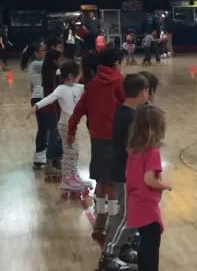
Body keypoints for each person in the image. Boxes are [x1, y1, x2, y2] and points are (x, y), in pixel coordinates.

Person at [68, 48, 125, 241]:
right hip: (115, 139)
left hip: (97, 138)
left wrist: (71, 130)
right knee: (113, 183)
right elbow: (128, 106)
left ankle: (100, 223)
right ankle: (113, 222)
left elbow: (79, 109)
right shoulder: (118, 82)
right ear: (116, 62)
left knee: (101, 180)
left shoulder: (91, 84)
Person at [98, 74, 150, 271]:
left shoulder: (123, 111)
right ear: (142, 92)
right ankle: (108, 256)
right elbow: (131, 148)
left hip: (122, 169)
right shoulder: (130, 117)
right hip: (124, 172)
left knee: (129, 213)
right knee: (126, 215)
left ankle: (123, 247)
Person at [31, 61, 92, 195]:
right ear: (71, 76)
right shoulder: (61, 89)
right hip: (65, 125)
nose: (80, 76)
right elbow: (49, 98)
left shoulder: (79, 87)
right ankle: (66, 179)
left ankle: (74, 176)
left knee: (74, 152)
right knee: (70, 152)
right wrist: (36, 106)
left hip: (73, 125)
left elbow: (92, 90)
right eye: (78, 74)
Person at [126, 105, 171, 271]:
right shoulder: (152, 152)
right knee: (151, 245)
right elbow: (149, 180)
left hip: (135, 201)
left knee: (145, 241)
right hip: (146, 204)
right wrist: (165, 185)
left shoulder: (133, 148)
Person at [21, 41, 48, 169]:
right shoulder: (38, 64)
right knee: (43, 128)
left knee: (45, 128)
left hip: (39, 97)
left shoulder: (35, 64)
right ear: (36, 52)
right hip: (39, 98)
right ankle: (39, 157)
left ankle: (43, 154)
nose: (45, 52)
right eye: (43, 50)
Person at [41, 37, 65, 180]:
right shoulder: (53, 76)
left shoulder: (49, 74)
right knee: (53, 137)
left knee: (55, 136)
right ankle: (49, 163)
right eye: (59, 59)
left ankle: (55, 160)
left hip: (52, 109)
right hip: (53, 110)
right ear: (55, 61)